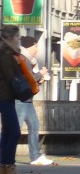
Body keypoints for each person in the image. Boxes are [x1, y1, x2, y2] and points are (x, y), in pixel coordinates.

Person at [18, 38, 51, 166]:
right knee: (14, 130)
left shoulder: (29, 60)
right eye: (36, 46)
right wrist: (40, 74)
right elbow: (27, 78)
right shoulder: (23, 58)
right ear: (30, 46)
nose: (37, 49)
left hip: (27, 99)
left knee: (34, 126)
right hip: (20, 99)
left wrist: (39, 80)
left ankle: (35, 156)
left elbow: (30, 79)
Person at [0, 25, 24, 174]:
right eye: (17, 37)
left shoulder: (7, 54)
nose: (19, 40)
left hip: (5, 96)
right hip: (4, 97)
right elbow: (12, 78)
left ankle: (3, 168)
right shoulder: (7, 56)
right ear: (9, 38)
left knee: (7, 132)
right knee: (14, 132)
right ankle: (9, 167)